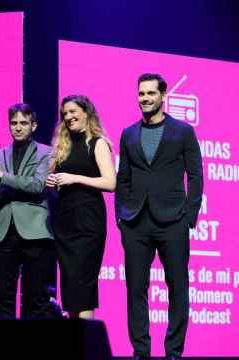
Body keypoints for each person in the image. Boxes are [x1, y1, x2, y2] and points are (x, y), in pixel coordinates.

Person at [115, 73, 203, 360]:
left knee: (178, 287)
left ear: (163, 96)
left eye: (150, 93)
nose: (145, 99)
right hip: (136, 221)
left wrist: (189, 216)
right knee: (135, 291)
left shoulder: (183, 131)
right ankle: (141, 351)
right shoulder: (129, 133)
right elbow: (123, 177)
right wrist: (120, 215)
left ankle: (173, 352)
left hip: (173, 221)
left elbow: (196, 175)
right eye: (141, 94)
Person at [45, 95, 116, 319]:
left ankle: (87, 345)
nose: (68, 117)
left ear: (86, 113)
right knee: (69, 283)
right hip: (64, 220)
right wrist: (51, 181)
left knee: (83, 283)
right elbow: (53, 178)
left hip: (88, 220)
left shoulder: (98, 142)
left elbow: (110, 182)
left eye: (73, 111)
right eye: (65, 113)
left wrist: (74, 178)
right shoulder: (61, 146)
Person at [0, 103, 56, 318]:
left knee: (37, 297)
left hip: (36, 230)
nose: (18, 127)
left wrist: (3, 178)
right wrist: (4, 184)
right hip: (5, 230)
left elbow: (38, 186)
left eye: (23, 123)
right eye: (14, 123)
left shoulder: (47, 152)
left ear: (33, 126)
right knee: (4, 296)